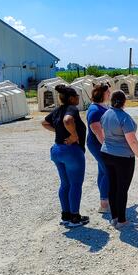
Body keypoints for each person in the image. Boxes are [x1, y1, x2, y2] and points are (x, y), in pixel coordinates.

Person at [41, 85, 89, 227]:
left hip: (57, 150)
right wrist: (74, 136)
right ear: (72, 98)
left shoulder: (57, 110)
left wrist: (59, 132)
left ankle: (66, 215)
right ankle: (75, 217)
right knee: (75, 184)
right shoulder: (71, 109)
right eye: (77, 97)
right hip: (71, 151)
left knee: (65, 183)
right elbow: (68, 120)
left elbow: (44, 122)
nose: (79, 99)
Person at [101, 90, 138, 229]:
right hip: (123, 157)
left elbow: (104, 133)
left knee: (112, 186)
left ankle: (114, 217)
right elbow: (132, 140)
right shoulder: (124, 117)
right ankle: (122, 220)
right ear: (124, 102)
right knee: (122, 188)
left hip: (107, 153)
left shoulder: (106, 114)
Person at [86, 83, 111, 213]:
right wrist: (106, 146)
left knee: (102, 171)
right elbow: (96, 129)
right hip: (98, 144)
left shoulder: (101, 106)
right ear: (102, 94)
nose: (110, 94)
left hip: (99, 143)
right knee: (108, 171)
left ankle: (104, 200)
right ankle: (104, 203)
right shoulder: (95, 110)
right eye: (108, 92)